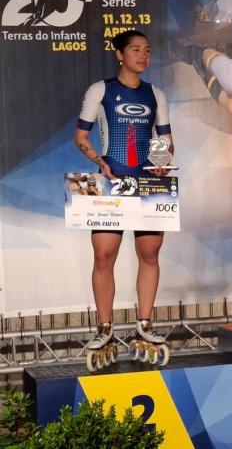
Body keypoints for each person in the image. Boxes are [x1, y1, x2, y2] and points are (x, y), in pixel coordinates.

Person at [74, 30, 173, 357]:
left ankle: (145, 324)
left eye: (147, 50)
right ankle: (104, 328)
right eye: (135, 49)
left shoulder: (156, 94)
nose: (143, 56)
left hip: (148, 184)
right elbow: (81, 138)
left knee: (150, 254)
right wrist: (100, 163)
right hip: (111, 183)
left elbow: (165, 140)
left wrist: (161, 162)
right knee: (104, 255)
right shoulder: (100, 90)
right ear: (119, 54)